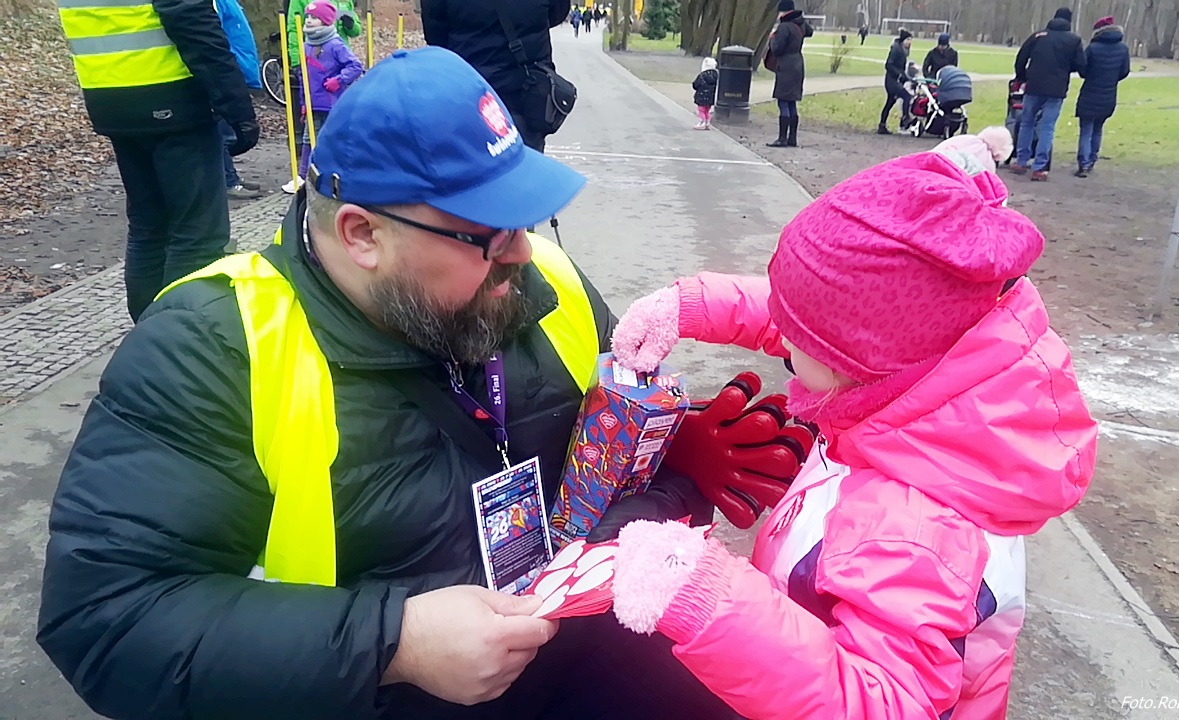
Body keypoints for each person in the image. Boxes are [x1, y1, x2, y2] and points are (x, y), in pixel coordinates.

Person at [37, 46, 736, 720]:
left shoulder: (542, 282)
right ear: (362, 235)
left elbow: (613, 452)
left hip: (571, 655)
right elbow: (106, 620)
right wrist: (393, 644)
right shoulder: (216, 347)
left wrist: (675, 472)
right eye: (491, 236)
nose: (523, 255)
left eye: (524, 221)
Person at [606, 143, 1097, 720]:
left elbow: (882, 703)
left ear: (854, 362)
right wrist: (692, 306)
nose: (783, 335)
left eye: (797, 332)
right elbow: (832, 320)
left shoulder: (910, 533)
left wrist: (709, 599)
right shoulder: (922, 386)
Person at [55, 0, 259, 322]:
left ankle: (148, 331)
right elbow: (192, 21)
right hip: (172, 97)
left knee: (149, 228)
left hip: (110, 98)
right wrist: (237, 107)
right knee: (197, 235)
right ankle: (178, 335)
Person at [423, 0, 571, 153]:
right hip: (527, 90)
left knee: (469, 155)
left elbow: (435, 34)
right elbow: (557, 13)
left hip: (469, 89)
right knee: (525, 158)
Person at [282, 0, 364, 194]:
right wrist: (303, 102)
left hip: (332, 102)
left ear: (326, 21)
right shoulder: (306, 46)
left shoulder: (335, 44)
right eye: (308, 17)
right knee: (308, 139)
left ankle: (335, 172)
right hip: (313, 103)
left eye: (315, 18)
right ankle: (303, 175)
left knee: (332, 136)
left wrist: (338, 80)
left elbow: (355, 66)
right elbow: (304, 78)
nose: (309, 20)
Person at [1012, 6, 1086, 181]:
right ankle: (1040, 167)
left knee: (1026, 123)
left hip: (1034, 85)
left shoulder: (1038, 36)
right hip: (1056, 89)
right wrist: (1066, 68)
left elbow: (1021, 58)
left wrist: (1022, 77)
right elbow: (1081, 66)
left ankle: (1021, 161)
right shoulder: (1074, 40)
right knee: (1047, 127)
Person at [215, 0, 263, 199]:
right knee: (224, 134)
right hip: (229, 71)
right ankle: (228, 181)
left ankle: (228, 178)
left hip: (237, 68)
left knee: (227, 132)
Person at [1074, 16, 1130, 178]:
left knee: (1086, 130)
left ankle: (1083, 163)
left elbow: (1083, 70)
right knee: (1097, 129)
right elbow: (1124, 71)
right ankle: (1092, 159)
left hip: (1090, 93)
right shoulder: (1123, 49)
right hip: (1109, 94)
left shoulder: (1092, 48)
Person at [765, 0, 813, 148]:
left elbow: (777, 49)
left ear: (783, 11)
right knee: (792, 102)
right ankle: (792, 138)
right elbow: (810, 32)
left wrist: (772, 40)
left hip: (786, 65)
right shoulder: (800, 24)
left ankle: (782, 138)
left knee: (783, 101)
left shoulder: (784, 27)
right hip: (798, 64)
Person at [877, 28, 912, 135]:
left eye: (910, 40)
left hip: (895, 80)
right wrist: (899, 75)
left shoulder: (903, 50)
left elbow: (900, 68)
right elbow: (889, 65)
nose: (910, 42)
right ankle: (905, 118)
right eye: (908, 39)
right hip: (892, 81)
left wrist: (905, 77)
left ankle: (882, 125)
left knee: (890, 102)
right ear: (903, 40)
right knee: (907, 96)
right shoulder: (896, 49)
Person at [692, 57, 719, 130]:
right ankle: (707, 122)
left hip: (702, 96)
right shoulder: (716, 76)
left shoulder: (702, 75)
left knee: (701, 110)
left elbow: (696, 84)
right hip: (711, 97)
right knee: (707, 110)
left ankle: (702, 122)